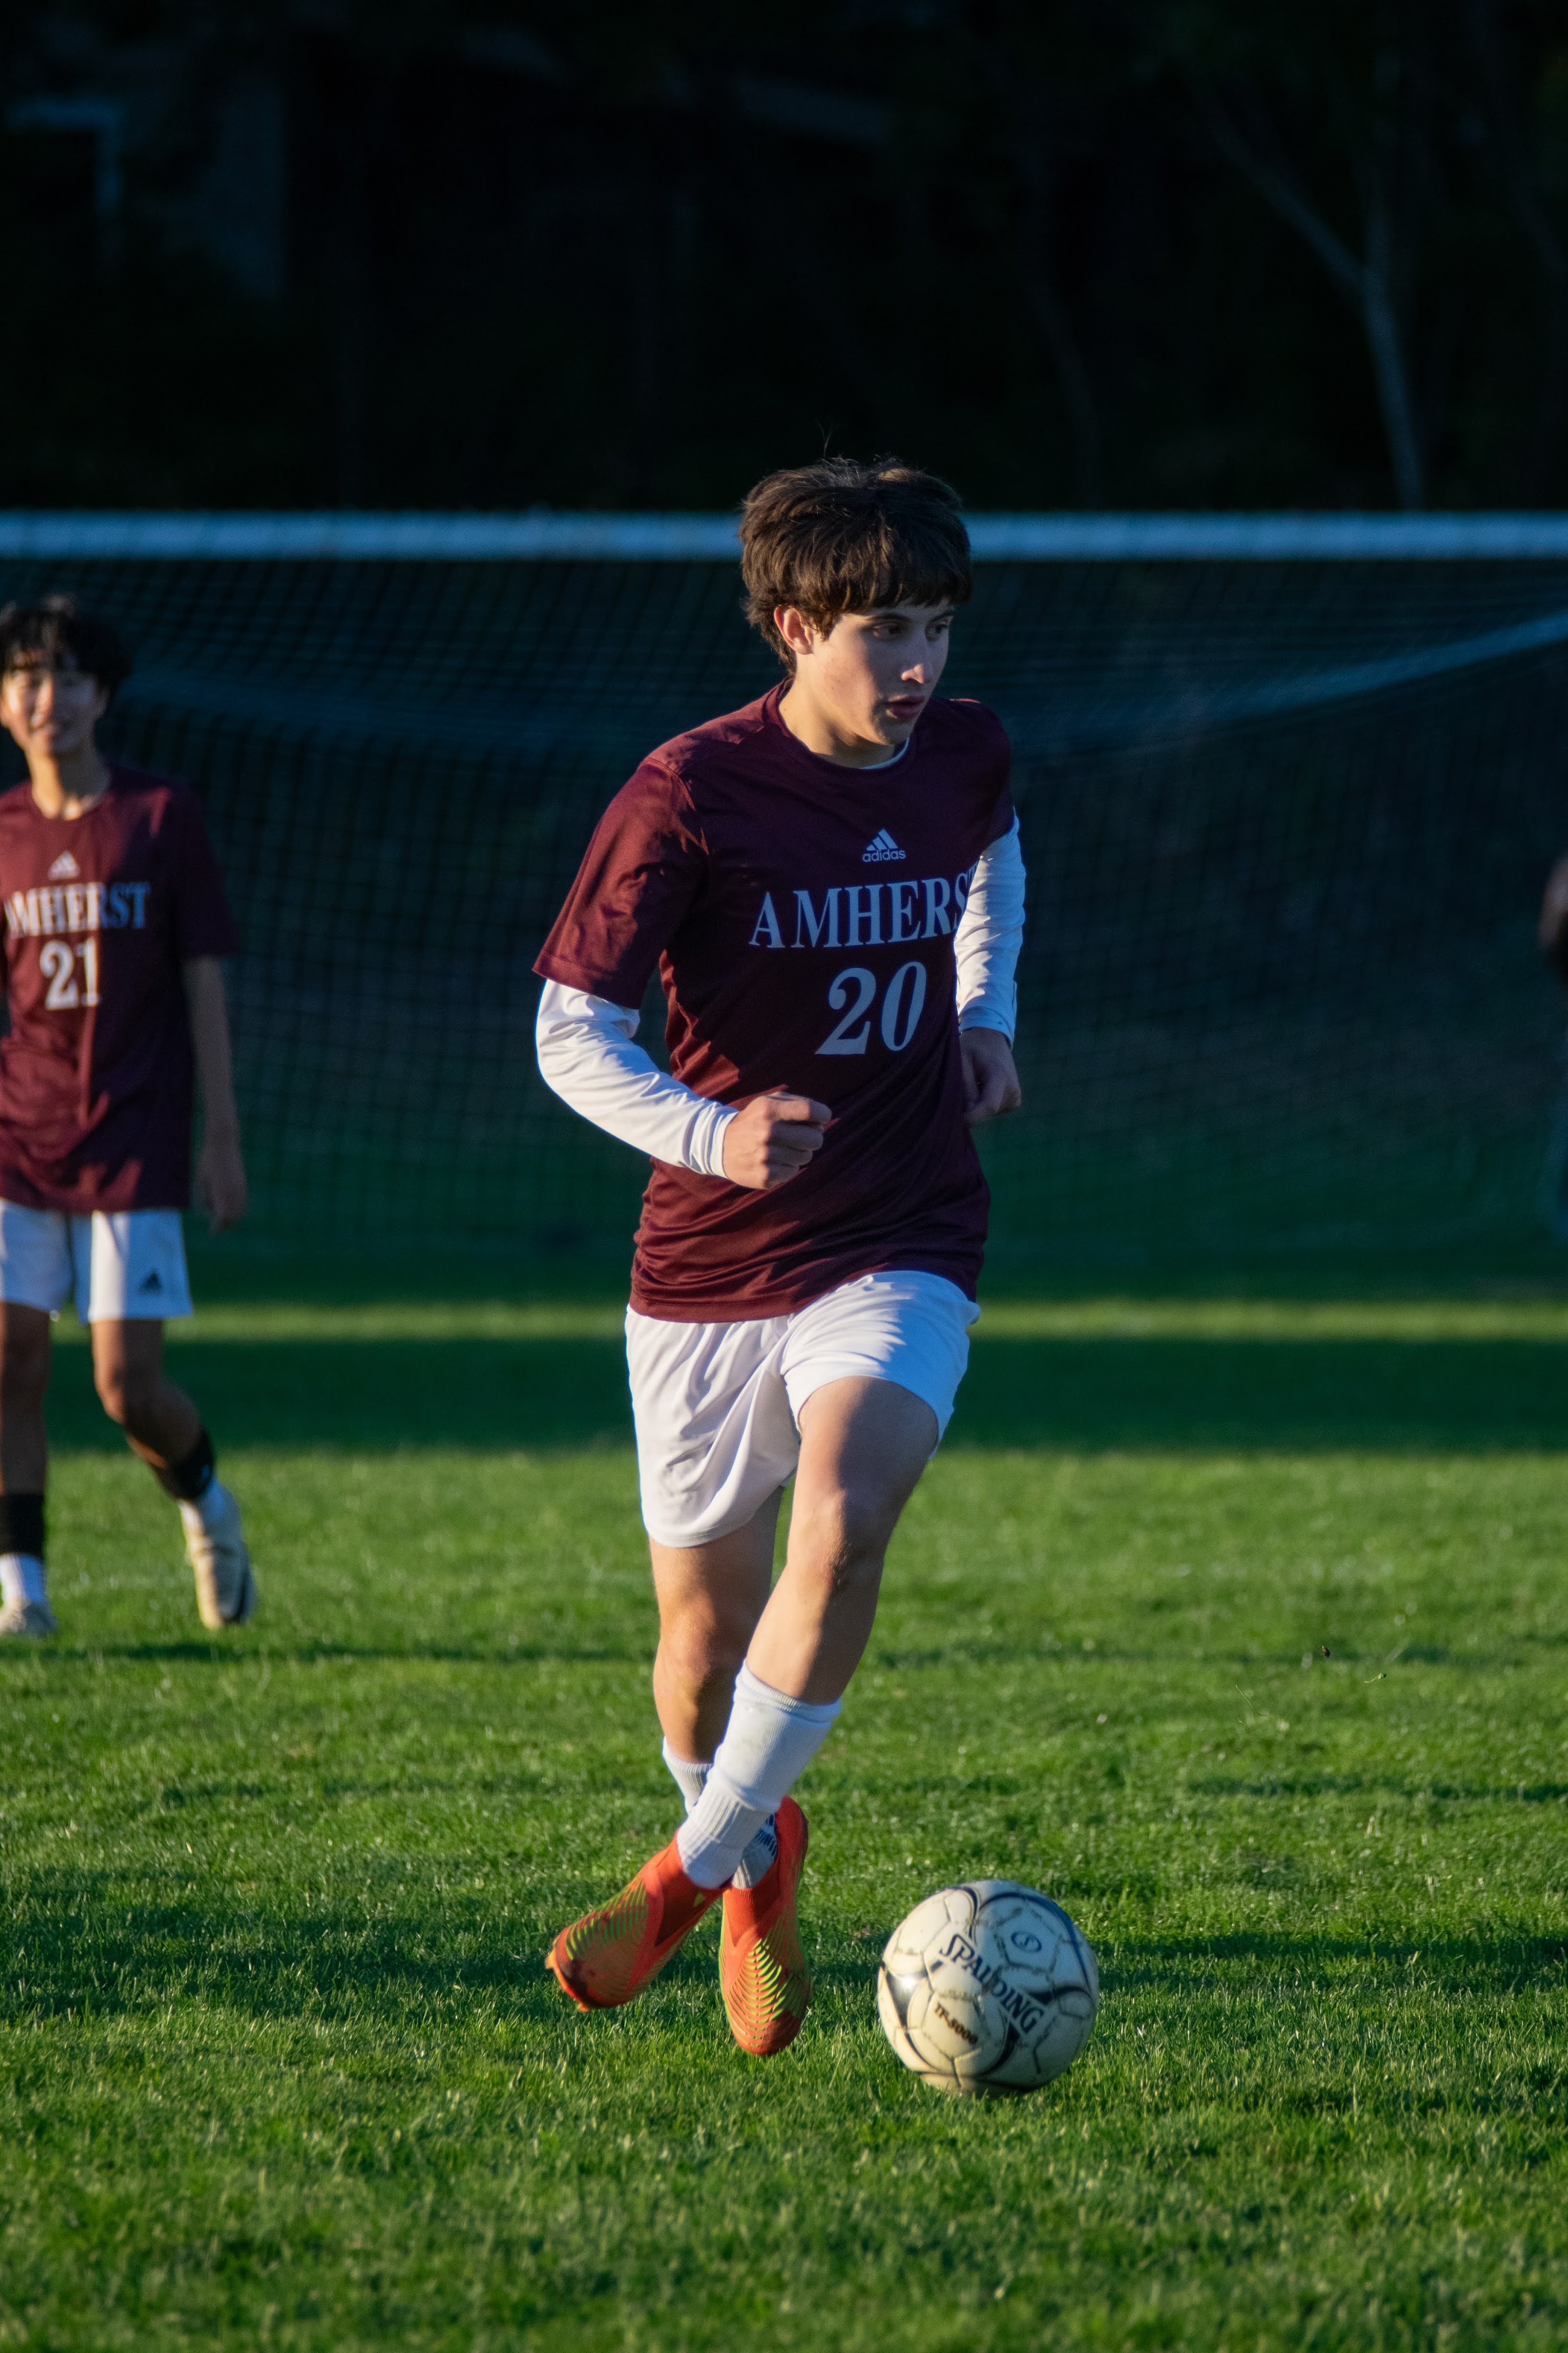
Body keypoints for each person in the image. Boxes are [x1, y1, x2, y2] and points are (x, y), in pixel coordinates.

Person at [534, 458, 1025, 2055]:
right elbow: (567, 1032)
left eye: (936, 626)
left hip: (901, 1228)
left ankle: (682, 1877)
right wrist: (711, 1133)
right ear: (797, 625)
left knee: (847, 1508)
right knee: (696, 1660)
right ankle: (756, 1850)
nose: (918, 664)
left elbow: (992, 855)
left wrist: (985, 1009)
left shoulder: (962, 751)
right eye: (885, 630)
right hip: (705, 1263)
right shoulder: (686, 794)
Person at [0, 595, 256, 1640]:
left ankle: (209, 1509)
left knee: (124, 1386)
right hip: (18, 1138)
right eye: (27, 677)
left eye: (67, 678)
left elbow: (204, 979)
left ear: (101, 697)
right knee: (8, 1360)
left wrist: (221, 1139)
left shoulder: (158, 816)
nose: (46, 698)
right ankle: (21, 1588)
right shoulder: (3, 832)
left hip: (134, 1135)